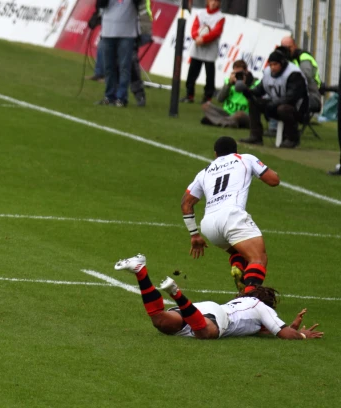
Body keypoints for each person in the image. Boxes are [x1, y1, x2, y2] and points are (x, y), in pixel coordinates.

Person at [114, 254, 323, 340]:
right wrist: (302, 335)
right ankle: (177, 294)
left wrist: (293, 326)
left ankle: (141, 271)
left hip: (202, 309)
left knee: (160, 320)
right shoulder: (261, 306)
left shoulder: (246, 303)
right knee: (204, 333)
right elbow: (282, 334)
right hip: (217, 317)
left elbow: (272, 329)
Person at [181, 137, 279, 294]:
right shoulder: (245, 159)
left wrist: (194, 235)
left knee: (239, 251)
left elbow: (186, 204)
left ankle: (238, 267)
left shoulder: (204, 172)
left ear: (215, 154)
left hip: (209, 225)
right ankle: (249, 298)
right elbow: (273, 181)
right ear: (236, 151)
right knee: (258, 259)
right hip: (232, 216)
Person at [239, 49, 309, 148]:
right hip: (275, 105)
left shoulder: (294, 74)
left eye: (275, 64)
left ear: (282, 63)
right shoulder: (267, 72)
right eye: (271, 64)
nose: (272, 67)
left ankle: (292, 139)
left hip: (297, 109)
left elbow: (291, 97)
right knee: (254, 102)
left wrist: (272, 105)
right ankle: (255, 136)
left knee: (283, 108)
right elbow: (259, 90)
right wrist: (247, 91)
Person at [94, 0, 144, 107]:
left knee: (124, 67)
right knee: (108, 67)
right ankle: (109, 96)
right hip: (108, 31)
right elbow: (99, 5)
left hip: (127, 33)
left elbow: (141, 4)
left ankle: (121, 98)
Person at [181, 0, 224, 104]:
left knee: (209, 75)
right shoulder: (200, 14)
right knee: (192, 73)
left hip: (210, 49)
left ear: (219, 3)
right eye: (212, 0)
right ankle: (189, 94)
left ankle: (207, 97)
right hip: (198, 47)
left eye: (216, 1)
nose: (213, 3)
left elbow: (216, 32)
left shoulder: (220, 17)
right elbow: (194, 28)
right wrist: (196, 37)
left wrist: (203, 39)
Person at [200, 60, 254, 128]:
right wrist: (228, 84)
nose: (238, 76)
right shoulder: (229, 82)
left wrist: (244, 85)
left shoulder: (254, 83)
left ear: (246, 71)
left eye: (240, 74)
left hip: (244, 115)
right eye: (236, 73)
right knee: (206, 105)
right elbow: (219, 99)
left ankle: (217, 121)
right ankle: (227, 123)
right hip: (227, 113)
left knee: (239, 114)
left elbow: (254, 102)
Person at [281, 36, 322, 114]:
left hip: (309, 93)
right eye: (284, 48)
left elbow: (305, 76)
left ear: (295, 46)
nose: (287, 50)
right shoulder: (283, 59)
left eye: (289, 47)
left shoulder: (304, 57)